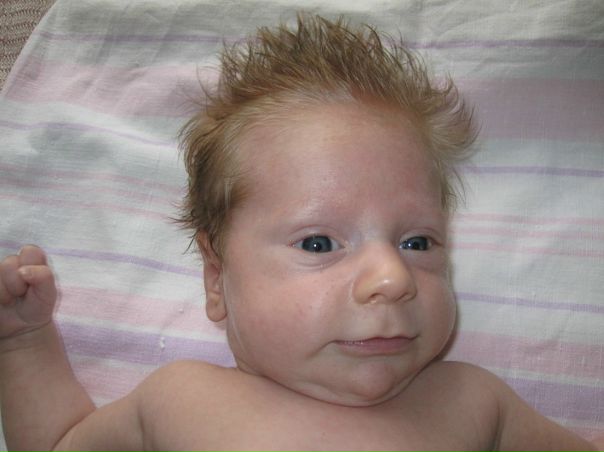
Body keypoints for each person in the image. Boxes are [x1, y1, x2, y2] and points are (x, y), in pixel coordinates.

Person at [0, 14, 602, 452]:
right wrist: (22, 343)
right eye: (319, 243)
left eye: (417, 243)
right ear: (217, 280)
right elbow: (58, 444)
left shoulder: (472, 402)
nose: (393, 278)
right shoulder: (180, 401)